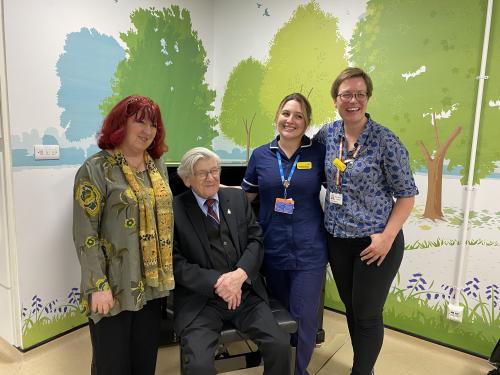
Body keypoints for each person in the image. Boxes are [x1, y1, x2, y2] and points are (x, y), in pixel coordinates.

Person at [314, 67, 418, 375]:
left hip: (376, 241)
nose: (353, 100)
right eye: (346, 94)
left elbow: (407, 196)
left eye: (360, 94)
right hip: (337, 239)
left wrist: (386, 237)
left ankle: (360, 372)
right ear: (336, 99)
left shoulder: (386, 141)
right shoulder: (327, 135)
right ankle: (366, 368)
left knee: (368, 313)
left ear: (368, 98)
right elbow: (309, 168)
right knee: (352, 309)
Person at [72, 95, 174, 375]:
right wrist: (97, 285)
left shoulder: (158, 166)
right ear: (120, 123)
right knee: (112, 365)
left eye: (153, 124)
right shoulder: (95, 169)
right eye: (139, 121)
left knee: (144, 363)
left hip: (151, 285)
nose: (147, 130)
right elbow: (85, 232)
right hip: (112, 287)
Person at [173, 147, 291, 375]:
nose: (211, 178)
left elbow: (256, 240)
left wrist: (240, 275)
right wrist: (219, 282)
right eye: (202, 173)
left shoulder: (237, 198)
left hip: (246, 295)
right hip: (201, 302)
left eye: (215, 170)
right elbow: (175, 263)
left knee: (279, 345)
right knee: (199, 366)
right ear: (187, 179)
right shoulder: (175, 210)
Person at [241, 93, 328, 375]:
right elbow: (246, 199)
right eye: (286, 114)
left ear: (307, 122)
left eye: (299, 116)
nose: (291, 120)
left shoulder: (318, 153)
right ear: (277, 116)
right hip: (272, 250)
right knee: (278, 319)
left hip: (309, 250)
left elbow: (340, 188)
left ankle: (298, 371)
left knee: (303, 319)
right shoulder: (260, 156)